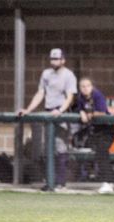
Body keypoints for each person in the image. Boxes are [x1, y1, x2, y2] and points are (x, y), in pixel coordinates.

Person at [18, 48, 77, 192]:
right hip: (48, 112)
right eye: (52, 59)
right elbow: (40, 93)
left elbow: (70, 97)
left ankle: (61, 183)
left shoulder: (69, 75)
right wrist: (28, 109)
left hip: (61, 113)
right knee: (45, 149)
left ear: (63, 60)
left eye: (57, 59)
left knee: (60, 148)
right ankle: (50, 181)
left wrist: (61, 110)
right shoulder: (46, 74)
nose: (54, 61)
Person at [76, 77, 114, 194]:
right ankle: (108, 182)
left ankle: (108, 183)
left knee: (102, 153)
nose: (85, 89)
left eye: (88, 86)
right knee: (100, 155)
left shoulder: (97, 95)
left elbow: (102, 112)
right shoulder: (80, 98)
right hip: (96, 130)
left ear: (92, 87)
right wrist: (82, 112)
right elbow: (79, 109)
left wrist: (90, 114)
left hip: (108, 128)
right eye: (82, 86)